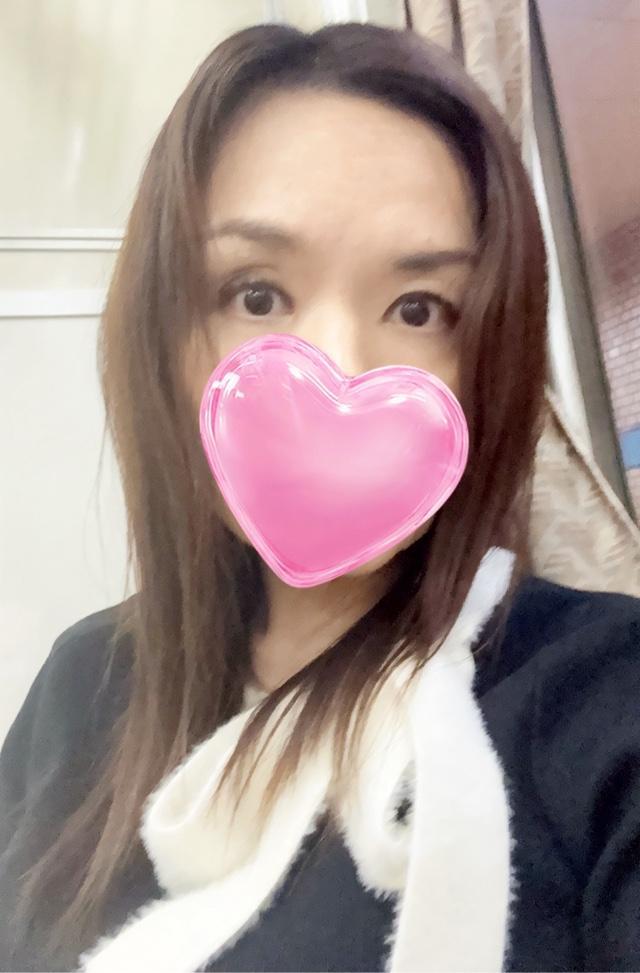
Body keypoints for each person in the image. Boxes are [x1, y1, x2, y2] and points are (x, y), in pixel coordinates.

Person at [1, 21, 639, 973]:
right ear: (162, 338)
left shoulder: (606, 690)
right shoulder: (81, 683)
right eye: (256, 295)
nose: (338, 369)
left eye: (419, 309)